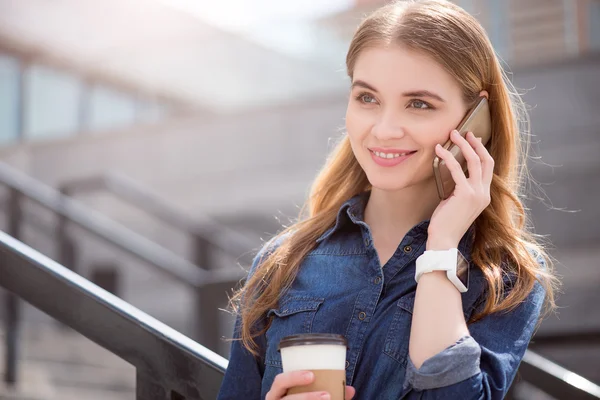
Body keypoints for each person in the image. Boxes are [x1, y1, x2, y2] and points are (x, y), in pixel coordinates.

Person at [217, 0, 560, 399]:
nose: (384, 129)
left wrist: (441, 250)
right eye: (367, 98)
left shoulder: (505, 275)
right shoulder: (283, 261)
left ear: (475, 117)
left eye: (418, 104)